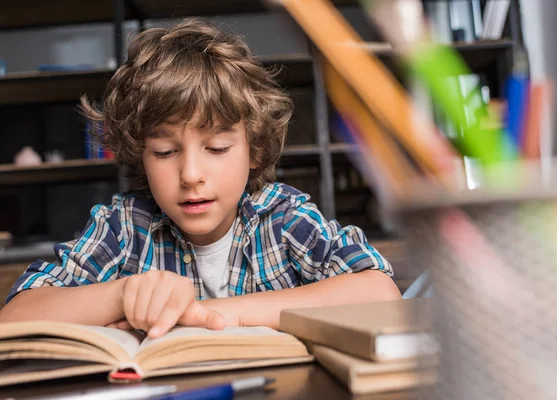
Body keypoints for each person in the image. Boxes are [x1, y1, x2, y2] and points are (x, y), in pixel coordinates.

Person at [0, 19, 401, 338]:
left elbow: (379, 292)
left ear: (254, 150)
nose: (191, 175)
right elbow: (14, 318)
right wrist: (121, 295)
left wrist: (219, 314)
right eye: (165, 152)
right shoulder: (124, 225)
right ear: (141, 154)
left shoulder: (280, 216)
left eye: (217, 149)